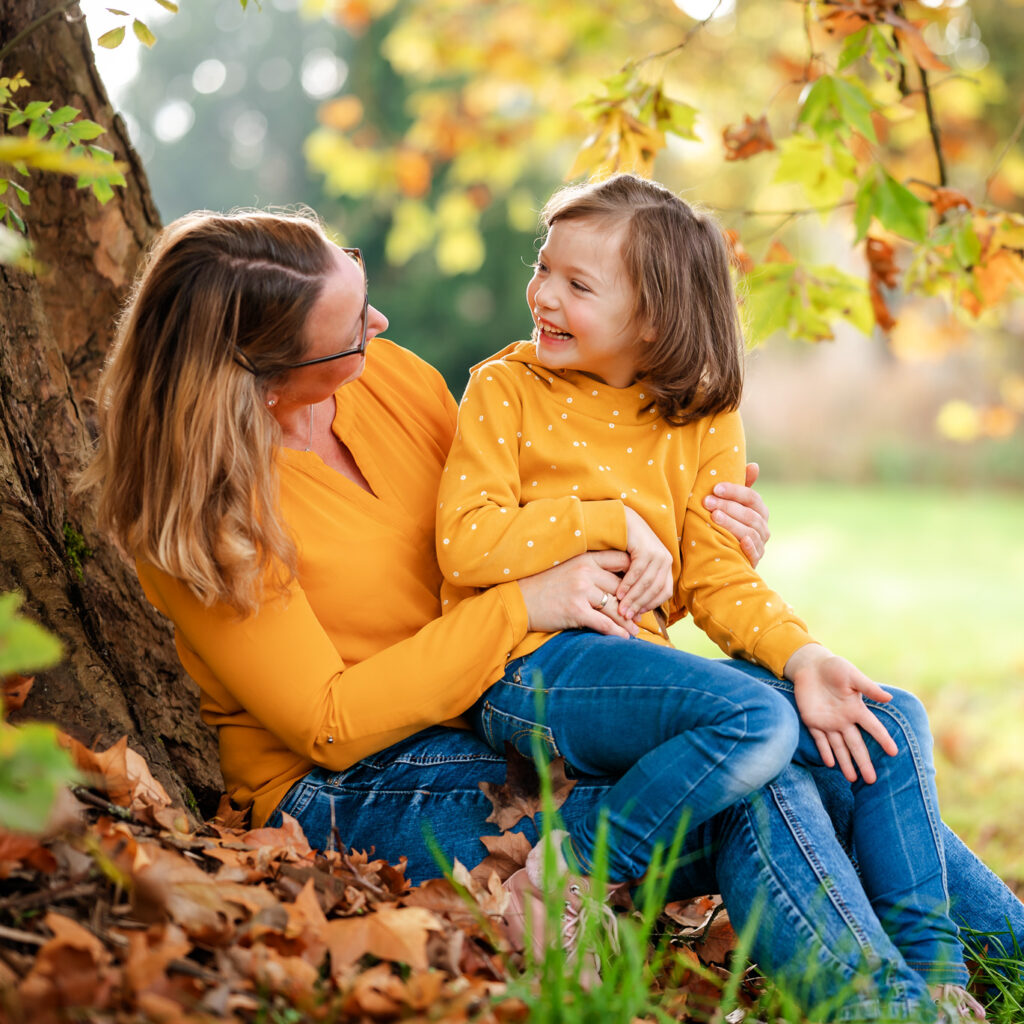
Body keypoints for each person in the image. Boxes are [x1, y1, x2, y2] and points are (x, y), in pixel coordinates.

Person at [80, 207, 1022, 1022]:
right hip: (351, 787)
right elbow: (329, 724)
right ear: (261, 374)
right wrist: (522, 608)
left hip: (505, 698)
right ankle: (884, 1008)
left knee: (858, 732)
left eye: (358, 283)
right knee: (763, 778)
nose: (380, 322)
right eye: (349, 333)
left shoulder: (390, 379)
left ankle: (1003, 962)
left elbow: (508, 522)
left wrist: (697, 535)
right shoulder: (202, 507)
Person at [434, 174, 988, 1012]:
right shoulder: (505, 387)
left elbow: (716, 575)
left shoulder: (699, 415)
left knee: (890, 721)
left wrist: (803, 655)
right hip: (528, 668)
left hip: (635, 670)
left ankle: (937, 975)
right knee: (755, 719)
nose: (543, 295)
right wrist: (610, 518)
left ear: (653, 316)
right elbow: (465, 541)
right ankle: (573, 868)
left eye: (577, 285)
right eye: (544, 268)